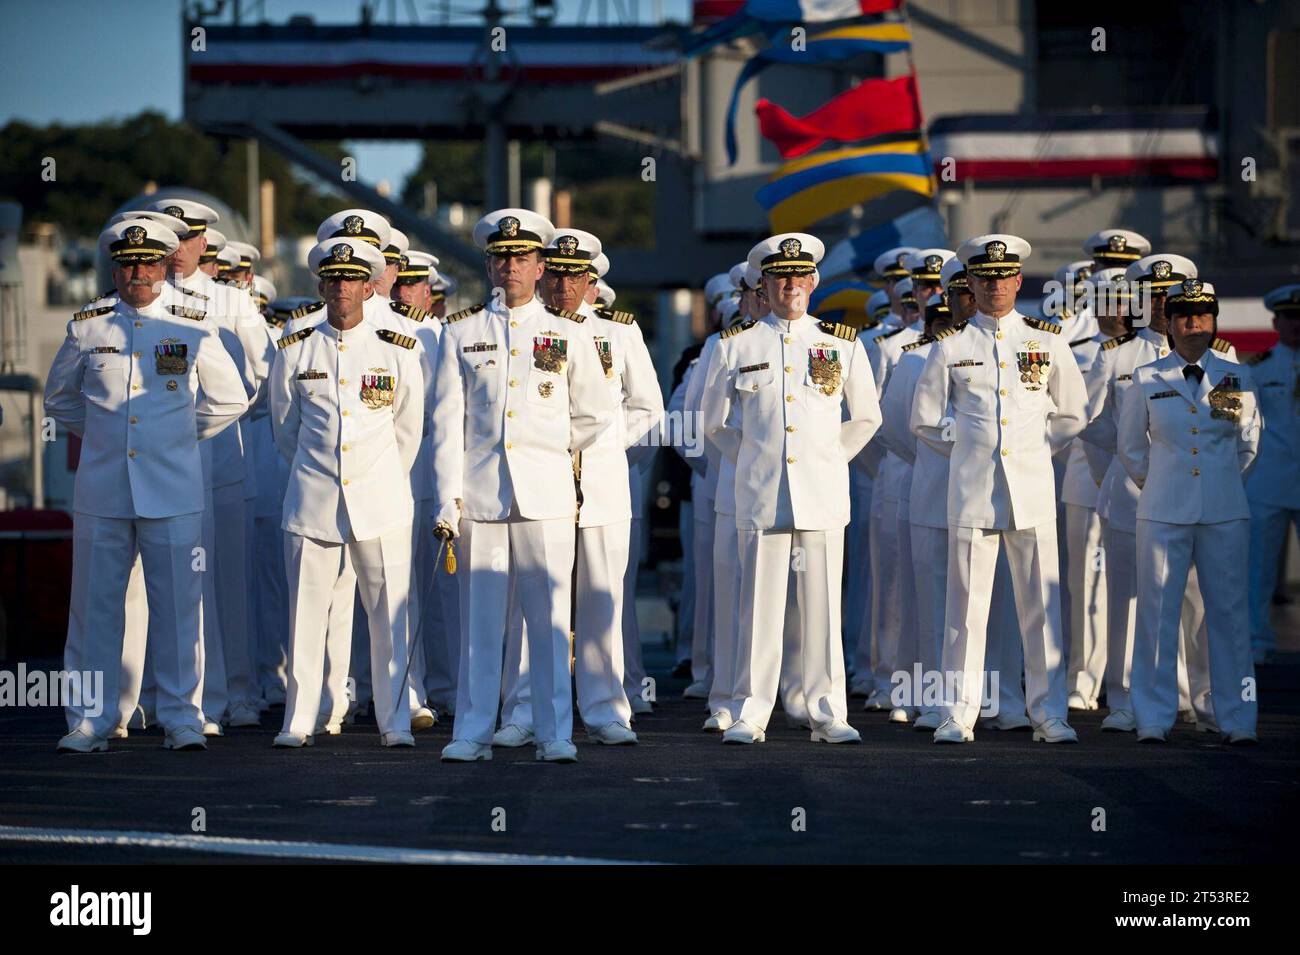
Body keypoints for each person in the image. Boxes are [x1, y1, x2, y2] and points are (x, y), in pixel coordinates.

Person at [45, 217, 248, 752]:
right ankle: (92, 718)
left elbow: (231, 398)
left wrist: (175, 438)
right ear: (114, 269)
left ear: (164, 267)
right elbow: (59, 400)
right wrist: (106, 440)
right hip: (103, 491)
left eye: (149, 263)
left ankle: (182, 715)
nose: (138, 272)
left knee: (180, 606)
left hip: (173, 488)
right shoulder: (88, 326)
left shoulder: (191, 323)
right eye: (128, 263)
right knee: (95, 609)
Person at [433, 208, 614, 763]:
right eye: (500, 257)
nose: (509, 265)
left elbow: (595, 411)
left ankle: (554, 731)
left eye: (521, 257)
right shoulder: (461, 332)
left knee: (550, 622)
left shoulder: (566, 332)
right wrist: (448, 495)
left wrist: (548, 451)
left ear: (540, 266)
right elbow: (446, 423)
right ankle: (472, 731)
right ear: (488, 264)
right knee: (480, 625)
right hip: (482, 495)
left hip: (546, 494)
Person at [700, 232, 882, 744]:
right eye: (780, 277)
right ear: (764, 283)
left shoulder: (841, 343)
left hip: (821, 493)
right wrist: (758, 461)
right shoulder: (736, 345)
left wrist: (825, 460)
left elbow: (867, 417)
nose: (790, 285)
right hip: (761, 492)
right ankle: (750, 711)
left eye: (799, 276)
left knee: (823, 606)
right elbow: (714, 423)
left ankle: (828, 712)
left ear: (814, 281)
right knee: (757, 605)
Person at [910, 234, 1088, 744]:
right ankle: (957, 713)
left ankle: (1049, 712)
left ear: (1017, 280)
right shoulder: (950, 346)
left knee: (1040, 609)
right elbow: (924, 421)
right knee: (964, 609)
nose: (994, 287)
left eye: (1003, 277)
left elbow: (1073, 412)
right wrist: (970, 448)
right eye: (983, 279)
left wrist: (1030, 449)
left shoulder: (1046, 340)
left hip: (1030, 489)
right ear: (971, 284)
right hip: (971, 490)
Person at [269, 237, 425, 749]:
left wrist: (375, 477)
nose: (342, 288)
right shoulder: (296, 348)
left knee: (389, 617)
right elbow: (285, 430)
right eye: (333, 279)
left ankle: (395, 719)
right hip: (314, 499)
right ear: (321, 285)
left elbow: (408, 431)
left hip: (380, 502)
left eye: (352, 279)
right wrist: (322, 474)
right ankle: (298, 719)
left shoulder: (396, 348)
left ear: (368, 286)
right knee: (305, 616)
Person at [1118, 279, 1260, 744]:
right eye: (1183, 316)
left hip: (1223, 512)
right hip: (1162, 511)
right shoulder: (1146, 377)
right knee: (1157, 616)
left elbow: (1248, 443)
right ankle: (1153, 717)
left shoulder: (1235, 375)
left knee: (1230, 617)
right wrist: (1158, 485)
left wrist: (1218, 484)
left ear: (1213, 320)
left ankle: (1237, 718)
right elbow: (1130, 446)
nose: (1193, 323)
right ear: (1171, 325)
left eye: (1202, 315)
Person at [1246, 285, 1300, 664]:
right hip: (1268, 479)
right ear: (1276, 321)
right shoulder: (1259, 368)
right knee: (1258, 567)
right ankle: (1256, 640)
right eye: (1290, 317)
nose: (1296, 324)